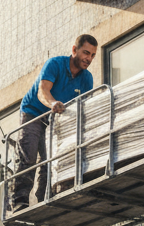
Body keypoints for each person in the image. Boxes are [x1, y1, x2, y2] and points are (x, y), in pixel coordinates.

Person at [9, 34, 98, 211]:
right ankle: (19, 201)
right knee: (28, 155)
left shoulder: (87, 79)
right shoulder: (55, 64)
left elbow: (85, 107)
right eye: (86, 53)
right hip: (34, 113)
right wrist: (52, 103)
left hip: (55, 120)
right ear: (74, 50)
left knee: (50, 161)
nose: (89, 59)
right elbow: (42, 91)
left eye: (93, 55)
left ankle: (44, 199)